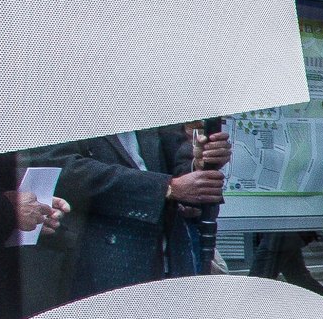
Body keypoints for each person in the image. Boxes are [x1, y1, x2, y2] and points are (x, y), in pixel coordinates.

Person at [32, 124, 229, 303]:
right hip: (98, 266)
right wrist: (165, 188)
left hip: (168, 261)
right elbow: (60, 169)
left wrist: (199, 164)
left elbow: (178, 163)